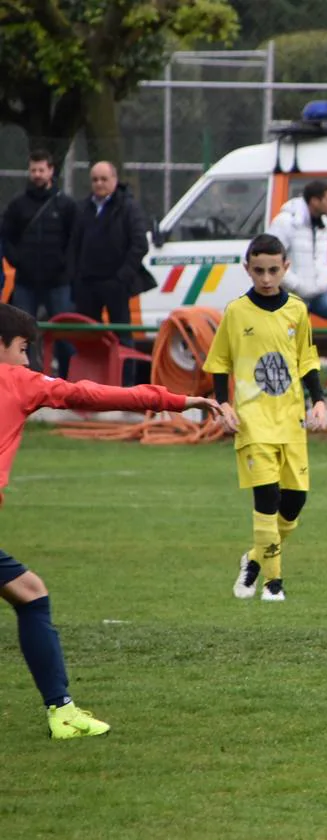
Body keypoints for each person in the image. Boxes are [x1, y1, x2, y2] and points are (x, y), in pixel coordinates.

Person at [0, 303, 220, 738]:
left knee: (29, 592)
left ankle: (62, 711)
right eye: (23, 348)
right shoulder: (19, 381)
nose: (27, 360)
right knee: (32, 595)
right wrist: (177, 399)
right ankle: (62, 712)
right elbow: (93, 394)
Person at [205, 234, 327, 605]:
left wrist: (318, 400)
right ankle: (274, 584)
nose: (266, 277)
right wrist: (223, 405)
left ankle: (254, 559)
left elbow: (306, 359)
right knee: (268, 497)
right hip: (252, 421)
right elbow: (219, 363)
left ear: (285, 268)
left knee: (294, 504)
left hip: (291, 420)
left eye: (273, 270)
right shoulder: (236, 311)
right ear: (247, 269)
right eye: (258, 270)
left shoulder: (298, 310)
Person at [267, 180, 327, 390]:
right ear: (314, 200)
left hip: (316, 292)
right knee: (294, 337)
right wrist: (295, 283)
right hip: (290, 292)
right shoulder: (285, 222)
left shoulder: (324, 223)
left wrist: (324, 280)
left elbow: (321, 259)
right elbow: (271, 257)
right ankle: (292, 382)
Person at [1, 149, 77, 374]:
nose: (37, 174)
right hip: (26, 281)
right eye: (33, 170)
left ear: (51, 171)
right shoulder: (17, 205)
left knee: (65, 335)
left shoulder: (65, 205)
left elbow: (74, 239)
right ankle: (27, 377)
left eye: (41, 170)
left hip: (58, 282)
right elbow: (7, 237)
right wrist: (17, 262)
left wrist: (65, 266)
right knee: (21, 333)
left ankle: (67, 380)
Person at [69, 161, 157, 351]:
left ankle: (124, 379)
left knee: (122, 336)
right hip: (87, 283)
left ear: (114, 180)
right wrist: (76, 276)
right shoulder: (83, 208)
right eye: (95, 180)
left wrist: (122, 276)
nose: (99, 184)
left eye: (104, 179)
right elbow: (73, 244)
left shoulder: (128, 207)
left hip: (116, 283)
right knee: (88, 336)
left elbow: (139, 244)